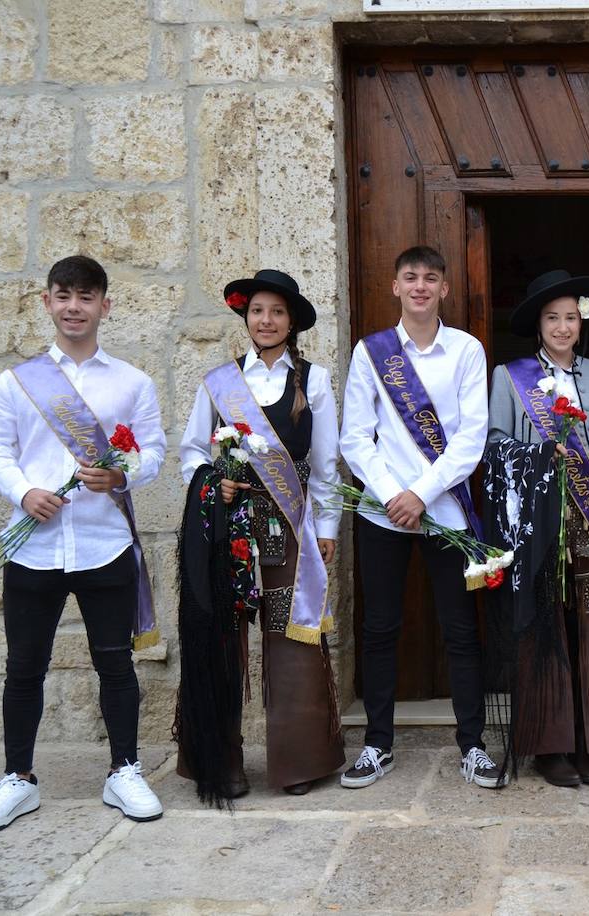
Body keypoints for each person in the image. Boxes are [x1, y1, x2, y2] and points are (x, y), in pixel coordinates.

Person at [0, 255, 166, 835]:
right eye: (63, 296)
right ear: (47, 302)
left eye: (86, 296)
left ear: (105, 305)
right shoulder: (17, 382)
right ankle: (17, 779)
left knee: (115, 664)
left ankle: (124, 769)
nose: (73, 307)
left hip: (104, 544)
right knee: (24, 667)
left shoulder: (132, 382)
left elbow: (152, 452)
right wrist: (24, 490)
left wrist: (122, 475)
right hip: (33, 547)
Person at [339, 245, 506, 790]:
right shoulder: (372, 353)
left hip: (447, 510)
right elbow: (354, 440)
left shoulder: (466, 350)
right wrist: (393, 495)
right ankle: (377, 744)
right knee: (379, 630)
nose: (419, 287)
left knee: (460, 632)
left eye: (430, 278)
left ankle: (473, 746)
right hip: (383, 513)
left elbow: (469, 438)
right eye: (410, 277)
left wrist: (422, 493)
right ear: (394, 286)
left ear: (444, 289)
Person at [175, 268, 344, 800]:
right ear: (245, 318)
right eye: (257, 312)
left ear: (291, 321)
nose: (265, 321)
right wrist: (212, 485)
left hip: (288, 526)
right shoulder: (220, 382)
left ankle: (299, 761)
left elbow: (326, 464)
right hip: (229, 527)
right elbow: (192, 455)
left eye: (276, 312)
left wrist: (329, 526)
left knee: (291, 634)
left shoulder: (312, 381)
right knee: (223, 639)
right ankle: (220, 761)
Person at [483, 269, 589, 787]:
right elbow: (493, 445)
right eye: (553, 318)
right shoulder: (510, 376)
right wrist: (538, 457)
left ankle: (586, 740)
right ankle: (549, 745)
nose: (563, 326)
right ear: (538, 324)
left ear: (582, 321)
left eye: (571, 317)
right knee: (544, 627)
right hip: (538, 517)